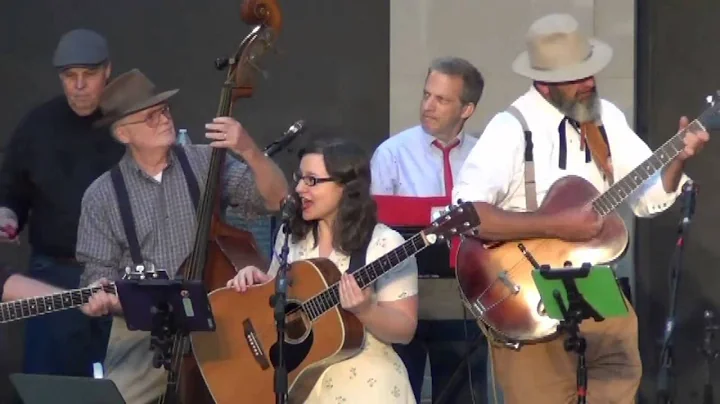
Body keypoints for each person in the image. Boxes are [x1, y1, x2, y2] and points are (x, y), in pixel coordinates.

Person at [452, 14, 709, 404]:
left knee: (621, 377)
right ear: (543, 82)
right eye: (576, 77)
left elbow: (647, 197)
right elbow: (465, 212)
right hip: (526, 295)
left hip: (597, 288)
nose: (588, 82)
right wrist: (557, 224)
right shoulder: (510, 128)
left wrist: (677, 159)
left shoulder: (606, 119)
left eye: (590, 72)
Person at [76, 68, 289, 403]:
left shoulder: (205, 160)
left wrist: (250, 151)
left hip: (219, 322)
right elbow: (98, 273)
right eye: (150, 117)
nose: (163, 119)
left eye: (164, 110)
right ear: (122, 134)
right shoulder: (101, 195)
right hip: (144, 331)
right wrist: (102, 296)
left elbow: (276, 200)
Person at [228, 138, 419, 403]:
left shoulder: (385, 243)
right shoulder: (291, 237)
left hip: (365, 382)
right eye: (299, 178)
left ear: (346, 187)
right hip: (300, 379)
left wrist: (366, 311)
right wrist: (256, 281)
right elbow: (275, 305)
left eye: (312, 181)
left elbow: (405, 330)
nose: (298, 189)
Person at [0, 28, 123, 377]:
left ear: (107, 71)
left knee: (122, 385)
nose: (79, 85)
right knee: (50, 384)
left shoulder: (130, 123)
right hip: (52, 272)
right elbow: (10, 191)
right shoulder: (37, 125)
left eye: (89, 74)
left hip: (119, 276)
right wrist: (6, 215)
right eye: (70, 76)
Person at [370, 57, 490, 402]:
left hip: (464, 299)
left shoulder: (484, 157)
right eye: (426, 95)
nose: (428, 105)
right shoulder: (392, 154)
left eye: (442, 99)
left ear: (467, 109)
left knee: (461, 395)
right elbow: (372, 233)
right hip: (399, 295)